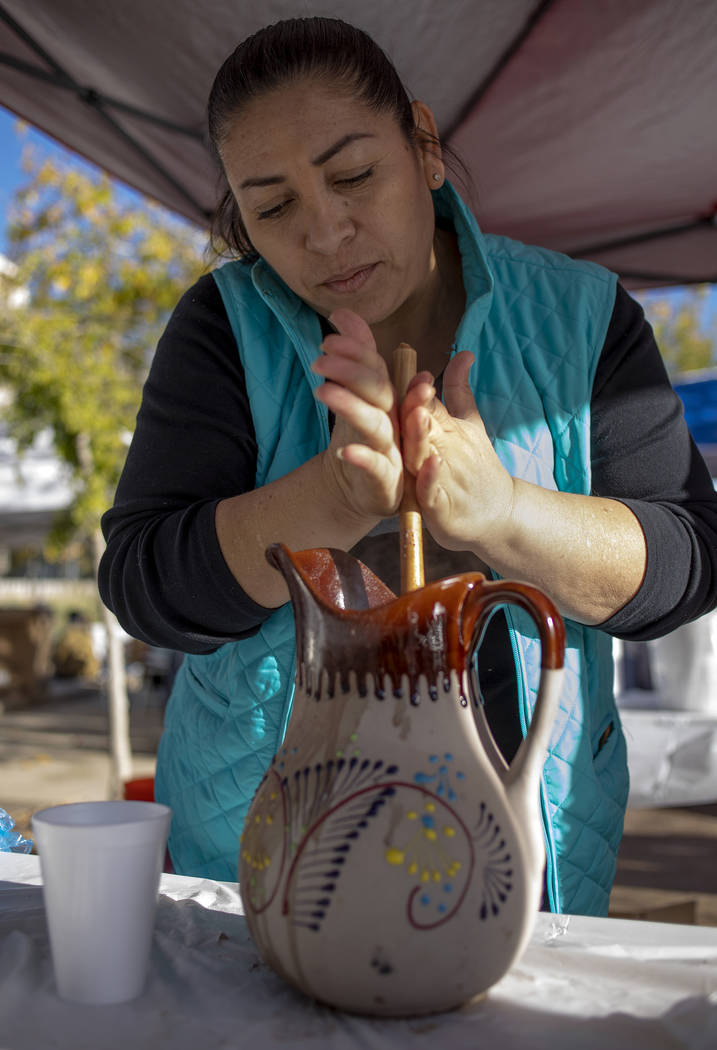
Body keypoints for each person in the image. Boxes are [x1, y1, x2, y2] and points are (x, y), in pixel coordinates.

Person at [98, 16, 717, 914]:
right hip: (265, 853)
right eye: (272, 208)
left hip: (529, 841)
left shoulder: (582, 316)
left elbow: (689, 562)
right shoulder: (222, 326)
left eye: (353, 175)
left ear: (423, 146)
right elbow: (146, 585)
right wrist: (332, 499)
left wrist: (504, 512)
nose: (326, 231)